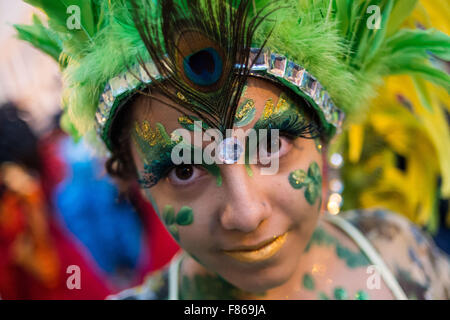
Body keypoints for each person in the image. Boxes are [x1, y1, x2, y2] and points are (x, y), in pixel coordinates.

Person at [16, 0, 450, 300]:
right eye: (183, 170)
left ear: (322, 135)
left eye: (271, 146)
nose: (245, 214)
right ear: (137, 179)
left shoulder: (394, 249)